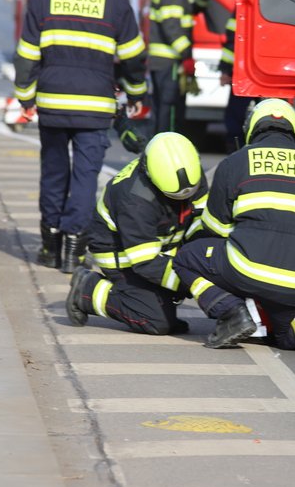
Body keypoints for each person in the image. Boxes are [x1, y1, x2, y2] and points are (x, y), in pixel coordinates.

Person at [173, 99, 295, 359]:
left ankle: (232, 312)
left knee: (186, 258)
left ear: (251, 129)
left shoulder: (236, 162)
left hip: (246, 269)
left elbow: (215, 226)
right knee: (286, 336)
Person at [13, 0, 148, 273]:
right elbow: (133, 57)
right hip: (95, 108)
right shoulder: (115, 3)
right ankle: (74, 250)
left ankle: (49, 245)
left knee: (54, 172)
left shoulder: (42, 0)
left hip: (53, 104)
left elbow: (27, 55)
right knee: (86, 176)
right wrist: (136, 94)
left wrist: (25, 96)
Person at [65, 132, 208, 335]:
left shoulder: (190, 174)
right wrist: (194, 283)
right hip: (123, 255)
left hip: (162, 247)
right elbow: (146, 263)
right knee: (156, 321)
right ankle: (89, 290)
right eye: (171, 197)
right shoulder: (135, 200)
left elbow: (202, 220)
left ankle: (160, 297)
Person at [147, 0, 209, 136]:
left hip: (165, 61)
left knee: (163, 111)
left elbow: (189, 12)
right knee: (170, 112)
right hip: (169, 61)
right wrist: (186, 55)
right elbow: (172, 27)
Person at [218, 9, 256, 153]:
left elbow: (231, 39)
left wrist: (225, 69)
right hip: (256, 72)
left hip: (243, 71)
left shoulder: (243, 6)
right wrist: (226, 69)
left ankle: (235, 151)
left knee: (235, 116)